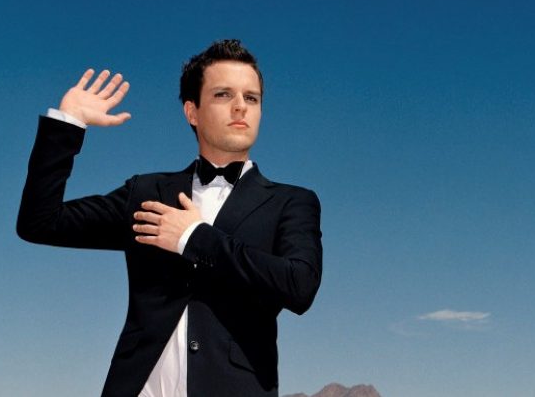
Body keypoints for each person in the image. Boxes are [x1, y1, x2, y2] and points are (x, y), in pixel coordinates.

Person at [17, 39, 323, 397]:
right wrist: (68, 123)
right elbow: (40, 222)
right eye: (223, 94)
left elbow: (299, 285)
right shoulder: (147, 192)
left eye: (251, 98)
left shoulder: (291, 202)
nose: (241, 106)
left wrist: (194, 237)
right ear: (192, 112)